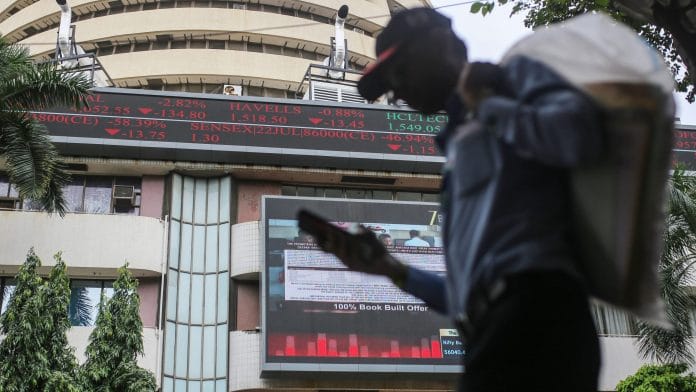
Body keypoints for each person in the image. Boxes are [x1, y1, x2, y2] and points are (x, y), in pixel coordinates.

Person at [307, 7, 604, 391]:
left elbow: (583, 137)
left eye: (398, 72)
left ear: (439, 45)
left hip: (539, 317)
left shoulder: (515, 80)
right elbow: (465, 296)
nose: (396, 94)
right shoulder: (456, 147)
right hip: (492, 329)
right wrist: (390, 269)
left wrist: (487, 103)